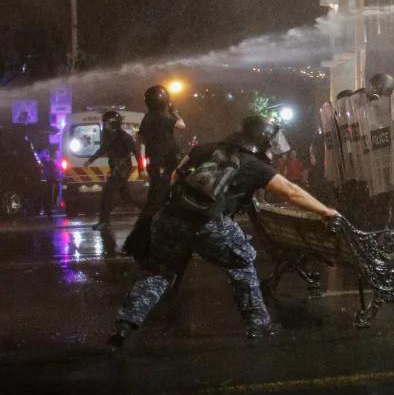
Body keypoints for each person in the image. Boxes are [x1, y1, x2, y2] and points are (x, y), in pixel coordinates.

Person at [108, 116, 339, 346]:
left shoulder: (206, 149)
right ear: (263, 139)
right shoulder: (254, 165)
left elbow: (176, 175)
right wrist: (325, 211)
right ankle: (258, 323)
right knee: (242, 261)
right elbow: (291, 192)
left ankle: (124, 325)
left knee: (158, 271)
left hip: (169, 218)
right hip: (207, 223)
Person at [87, 110, 141, 230]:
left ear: (113, 123)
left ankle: (104, 222)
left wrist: (142, 169)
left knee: (108, 194)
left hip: (122, 169)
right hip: (116, 168)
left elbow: (136, 152)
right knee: (126, 196)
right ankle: (149, 210)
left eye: (106, 123)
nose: (104, 125)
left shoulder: (125, 137)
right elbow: (103, 149)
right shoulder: (108, 136)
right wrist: (90, 160)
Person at [138, 85, 186, 213]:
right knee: (164, 193)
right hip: (165, 162)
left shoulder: (146, 118)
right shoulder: (161, 117)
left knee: (155, 193)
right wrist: (174, 111)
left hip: (154, 162)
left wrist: (142, 167)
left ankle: (150, 222)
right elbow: (182, 125)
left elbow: (141, 142)